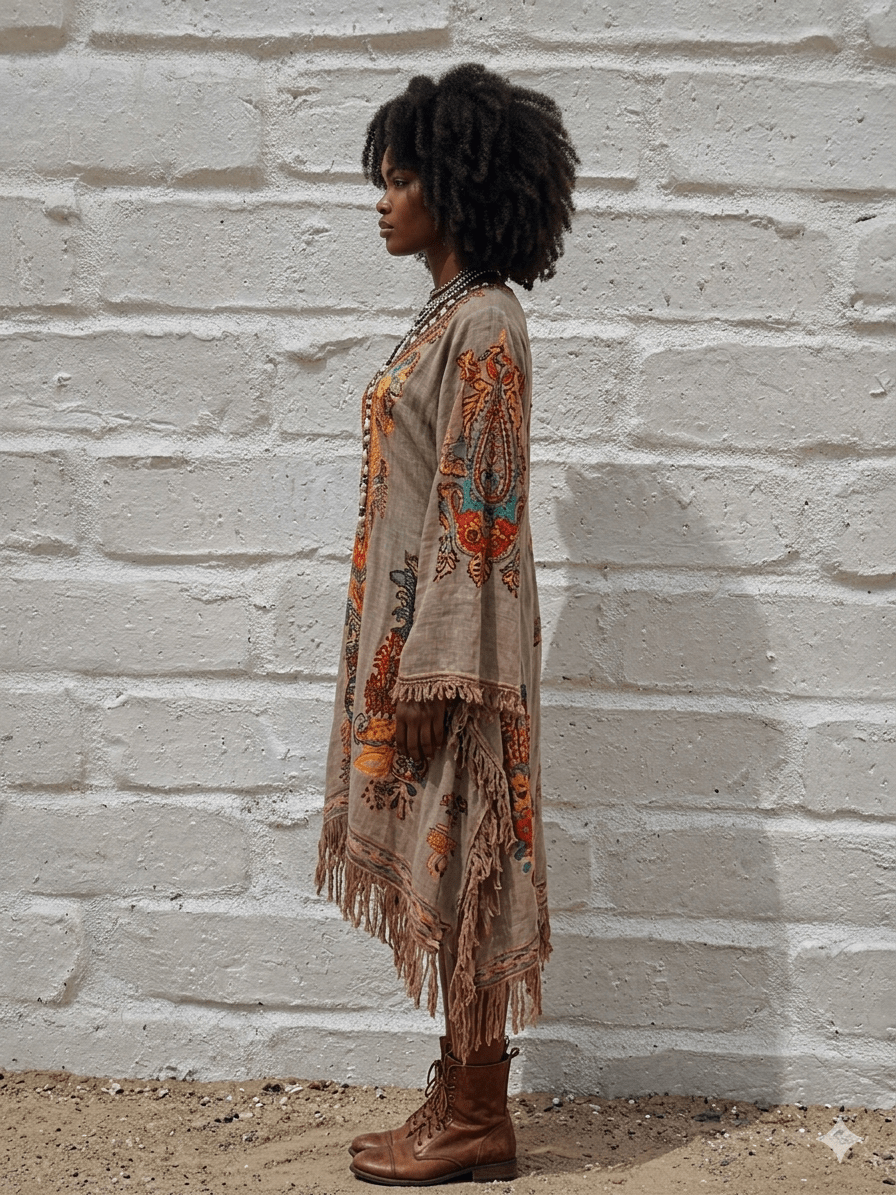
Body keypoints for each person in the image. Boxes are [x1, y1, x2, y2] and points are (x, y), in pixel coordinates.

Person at [315, 62, 578, 1186]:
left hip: (451, 660)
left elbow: (478, 514)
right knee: (451, 863)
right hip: (414, 641)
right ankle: (461, 1091)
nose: (382, 197)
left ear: (458, 188)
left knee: (469, 864)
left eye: (402, 176)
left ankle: (477, 1115)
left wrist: (432, 675)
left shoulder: (483, 325)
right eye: (381, 176)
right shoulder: (446, 316)